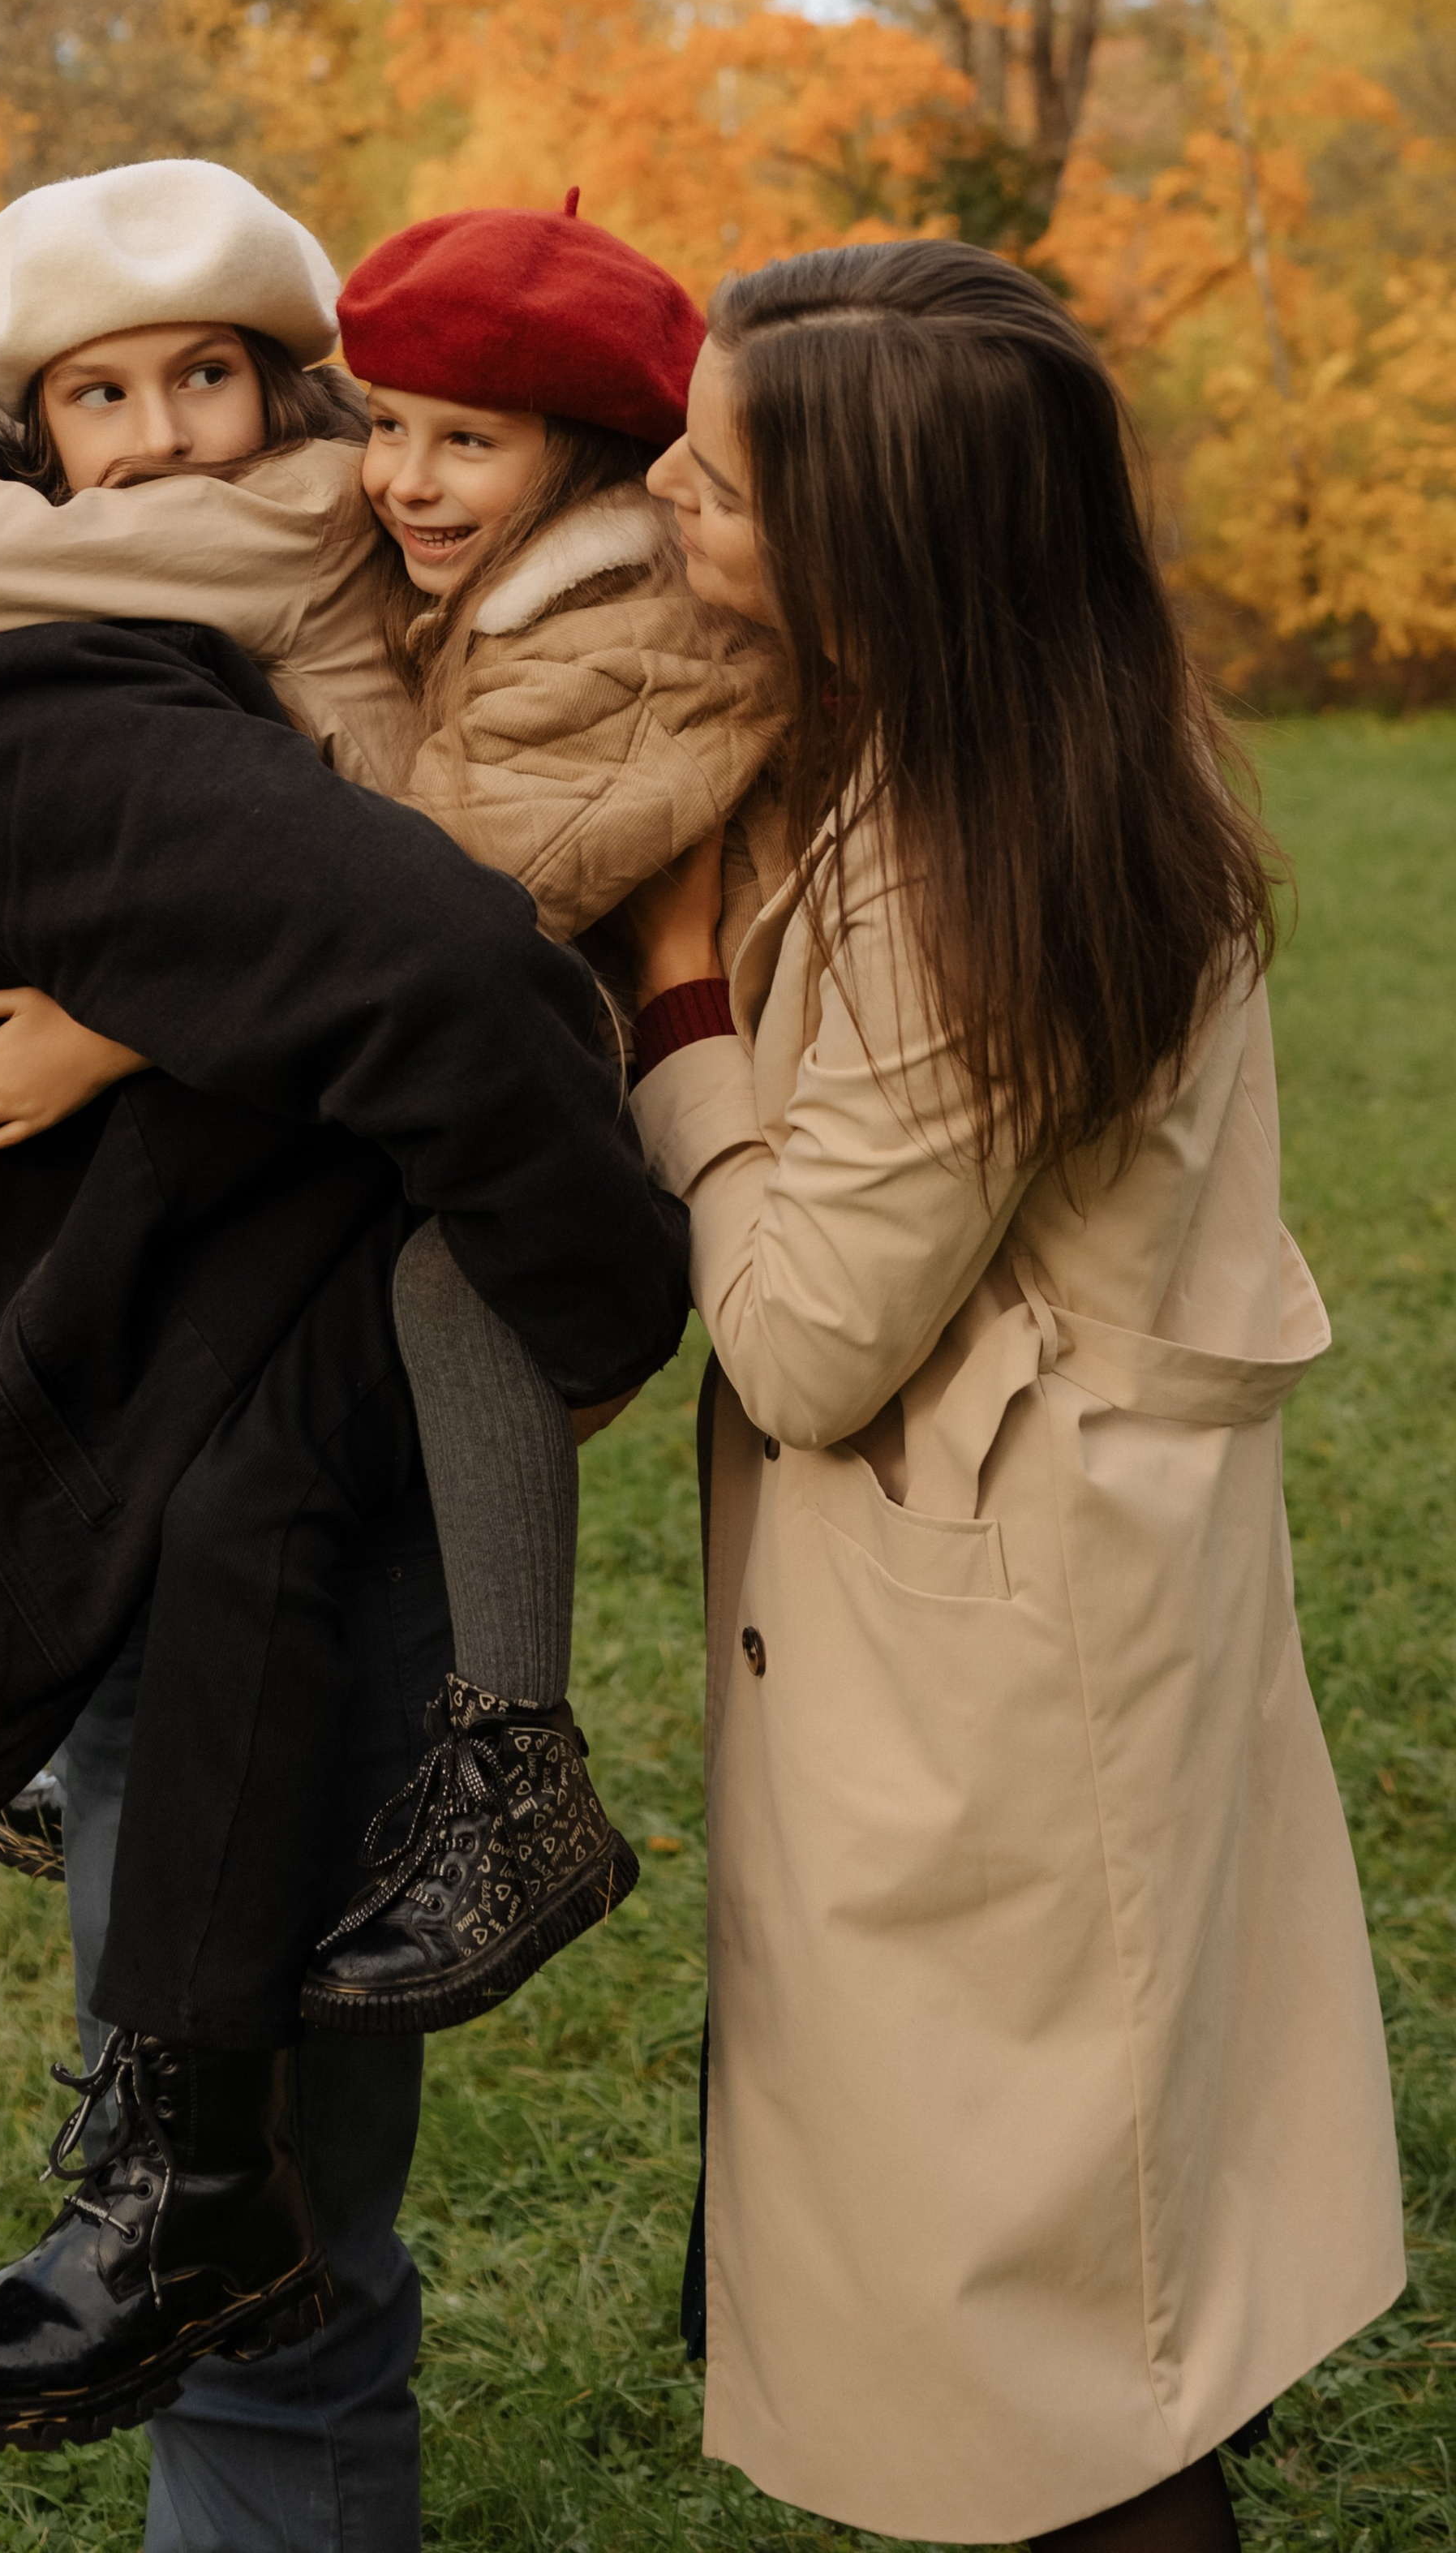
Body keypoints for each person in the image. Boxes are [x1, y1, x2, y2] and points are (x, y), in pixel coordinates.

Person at [0, 157, 690, 2526]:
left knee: (253, 2291)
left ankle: (477, 1820)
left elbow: (443, 973)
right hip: (146, 1541)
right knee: (237, 2250)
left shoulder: (27, 671)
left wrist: (593, 1318)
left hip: (262, 1544)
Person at [621, 239, 1403, 2551]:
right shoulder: (1037, 742)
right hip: (1060, 1600)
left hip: (993, 1658)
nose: (662, 490)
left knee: (1044, 2340)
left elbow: (798, 1336)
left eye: (720, 480)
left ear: (880, 562)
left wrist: (678, 1013)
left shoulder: (976, 878)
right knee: (1079, 2246)